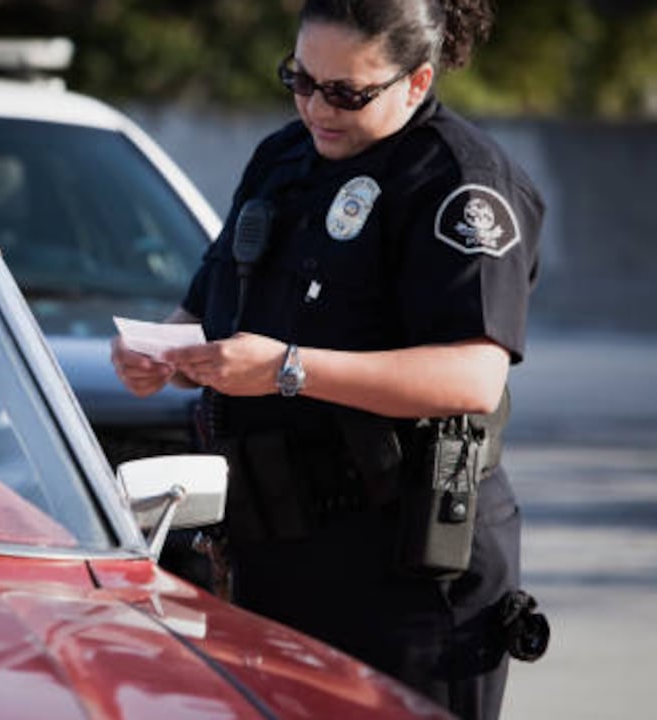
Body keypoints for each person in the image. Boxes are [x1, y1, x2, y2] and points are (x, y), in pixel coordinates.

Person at [111, 1, 546, 718]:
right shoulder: (284, 159)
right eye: (301, 79)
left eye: (347, 92)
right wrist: (163, 352)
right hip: (271, 555)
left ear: (415, 82)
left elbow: (470, 376)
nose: (318, 106)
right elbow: (210, 303)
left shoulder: (460, 184)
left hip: (403, 570)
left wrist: (288, 367)